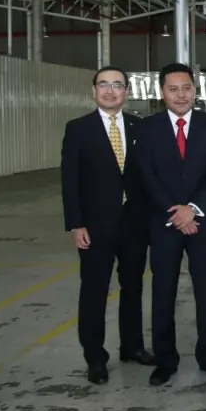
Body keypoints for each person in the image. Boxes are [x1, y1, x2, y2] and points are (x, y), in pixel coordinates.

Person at [135, 63, 206, 386]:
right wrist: (175, 212)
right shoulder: (147, 129)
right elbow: (145, 176)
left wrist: (192, 209)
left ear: (195, 90)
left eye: (186, 88)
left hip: (202, 221)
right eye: (173, 89)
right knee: (163, 291)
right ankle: (165, 359)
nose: (180, 95)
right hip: (164, 223)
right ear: (162, 93)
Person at [60, 66, 155, 385]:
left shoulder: (140, 127)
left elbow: (148, 177)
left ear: (127, 92)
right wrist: (76, 224)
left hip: (134, 224)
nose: (110, 90)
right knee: (94, 291)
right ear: (93, 90)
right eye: (104, 84)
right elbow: (69, 181)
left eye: (117, 85)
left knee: (133, 287)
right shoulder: (78, 129)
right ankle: (95, 358)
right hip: (95, 226)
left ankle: (132, 347)